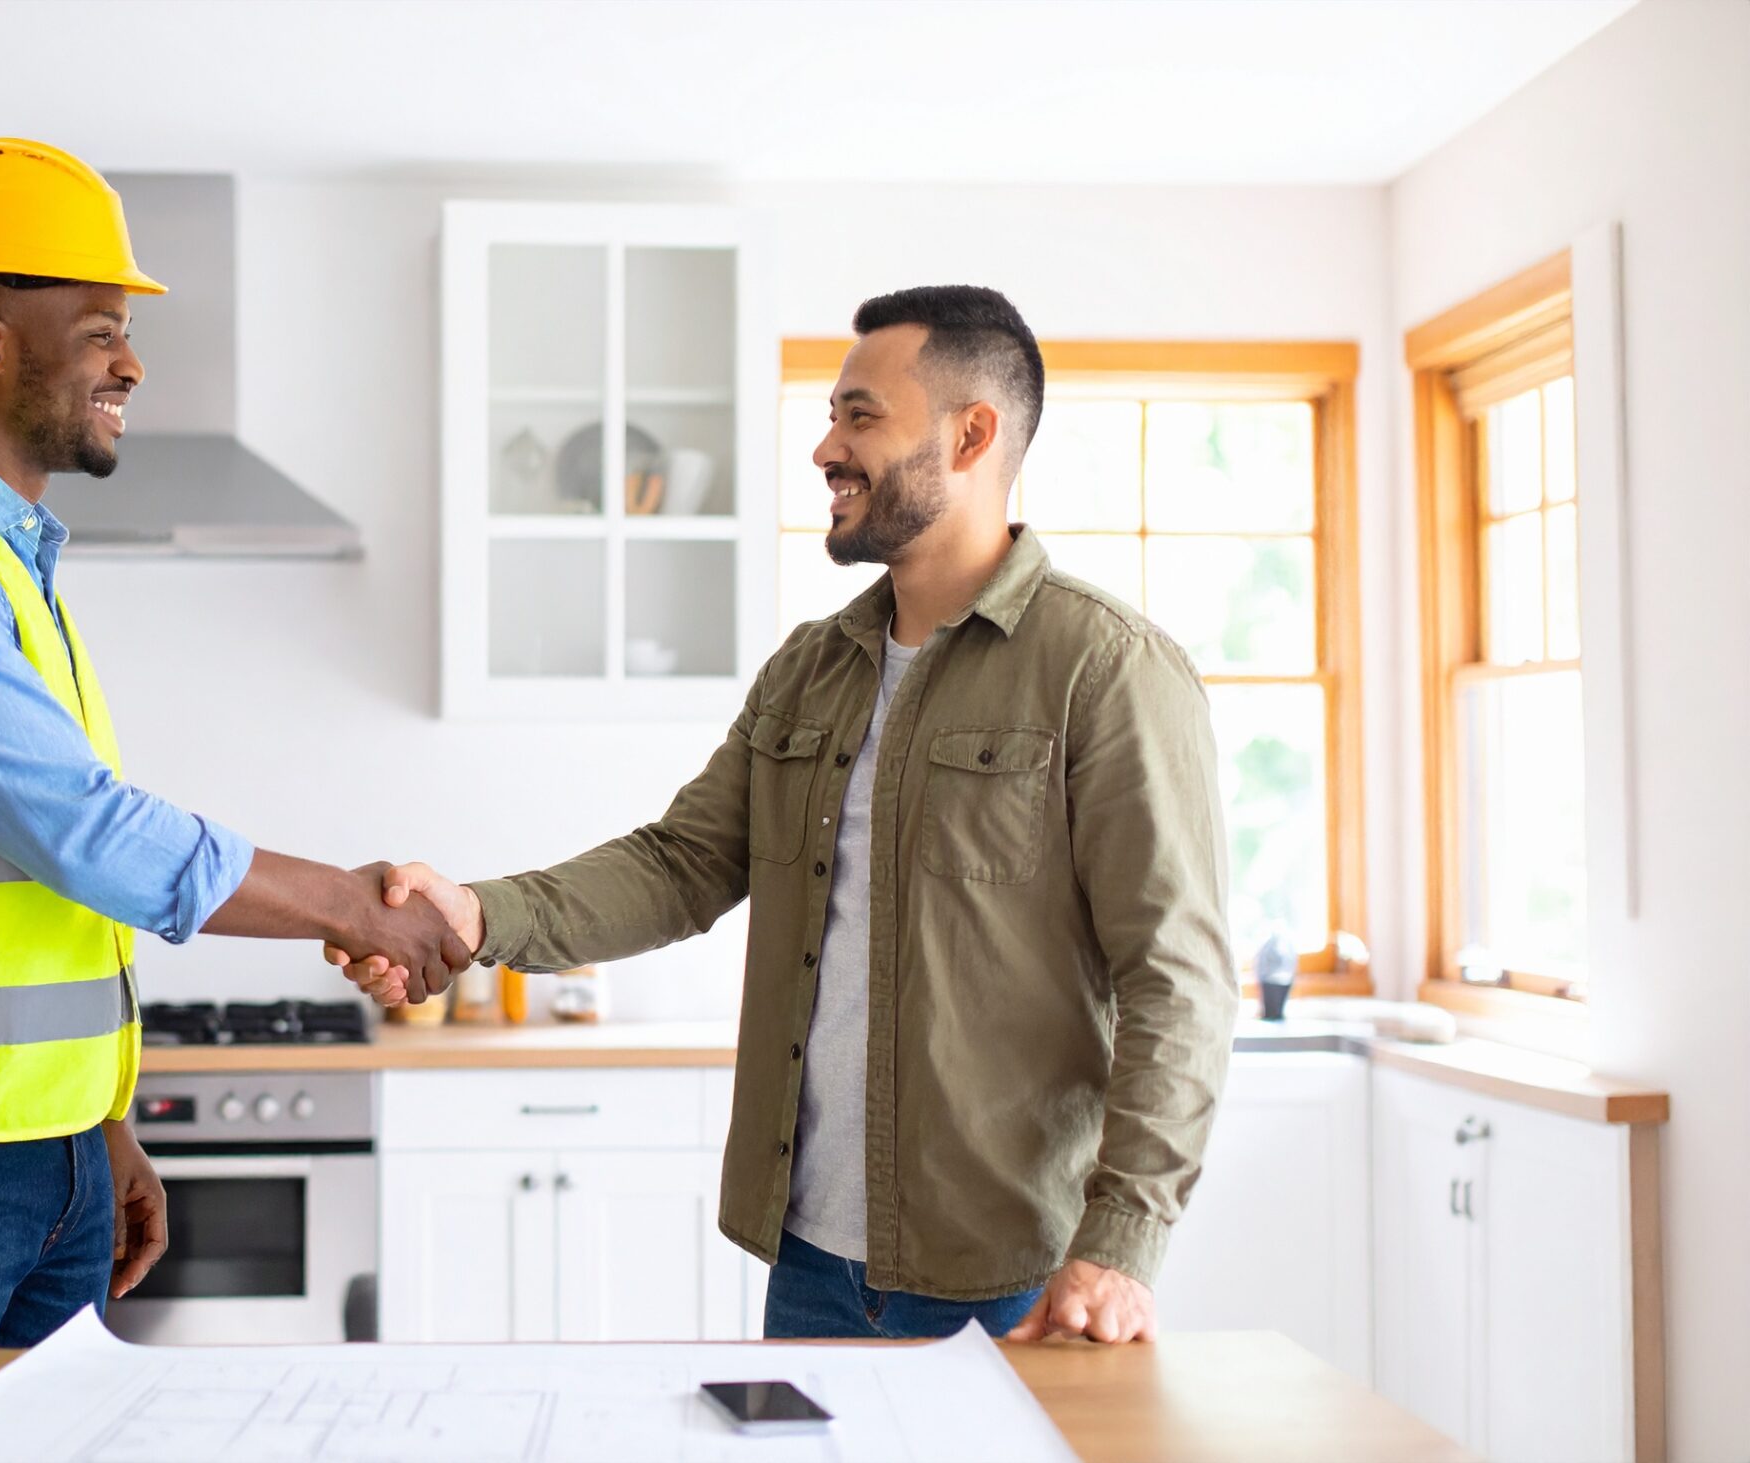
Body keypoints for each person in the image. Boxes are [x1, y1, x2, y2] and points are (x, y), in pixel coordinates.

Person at [341, 286, 1236, 1344]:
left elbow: (1176, 980)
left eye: (860, 415)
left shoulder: (1107, 670)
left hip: (1014, 1280)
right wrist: (474, 914)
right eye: (830, 415)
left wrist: (1118, 1246)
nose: (824, 447)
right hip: (810, 1263)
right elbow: (680, 864)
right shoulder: (810, 669)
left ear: (971, 433)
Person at [0, 138, 467, 1351]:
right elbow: (86, 833)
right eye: (98, 330)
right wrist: (354, 902)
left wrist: (98, 1127)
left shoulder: (3, 562)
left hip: (33, 1153)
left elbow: (29, 889)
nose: (131, 362)